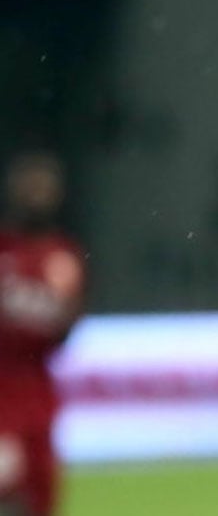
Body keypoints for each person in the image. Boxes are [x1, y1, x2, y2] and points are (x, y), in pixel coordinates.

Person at [0, 151, 86, 516]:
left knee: (40, 497)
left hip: (39, 397)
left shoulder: (64, 255)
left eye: (45, 189)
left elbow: (64, 333)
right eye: (31, 188)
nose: (38, 197)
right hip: (3, 395)